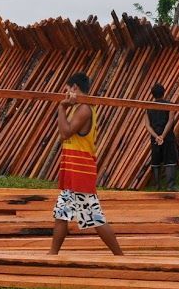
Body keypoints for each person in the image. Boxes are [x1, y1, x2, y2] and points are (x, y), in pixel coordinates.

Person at [48, 72, 124, 255]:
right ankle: (52, 255)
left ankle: (120, 257)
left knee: (96, 219)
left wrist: (61, 108)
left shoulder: (84, 109)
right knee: (61, 215)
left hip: (80, 172)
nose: (64, 93)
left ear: (74, 88)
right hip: (74, 171)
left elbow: (65, 133)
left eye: (66, 89)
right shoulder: (80, 107)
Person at [144, 83, 179, 191]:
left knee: (156, 159)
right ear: (164, 92)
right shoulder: (170, 105)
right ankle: (170, 185)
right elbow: (170, 120)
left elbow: (147, 125)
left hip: (155, 137)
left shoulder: (148, 107)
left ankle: (157, 184)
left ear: (152, 94)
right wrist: (163, 136)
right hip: (167, 136)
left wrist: (156, 136)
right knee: (170, 159)